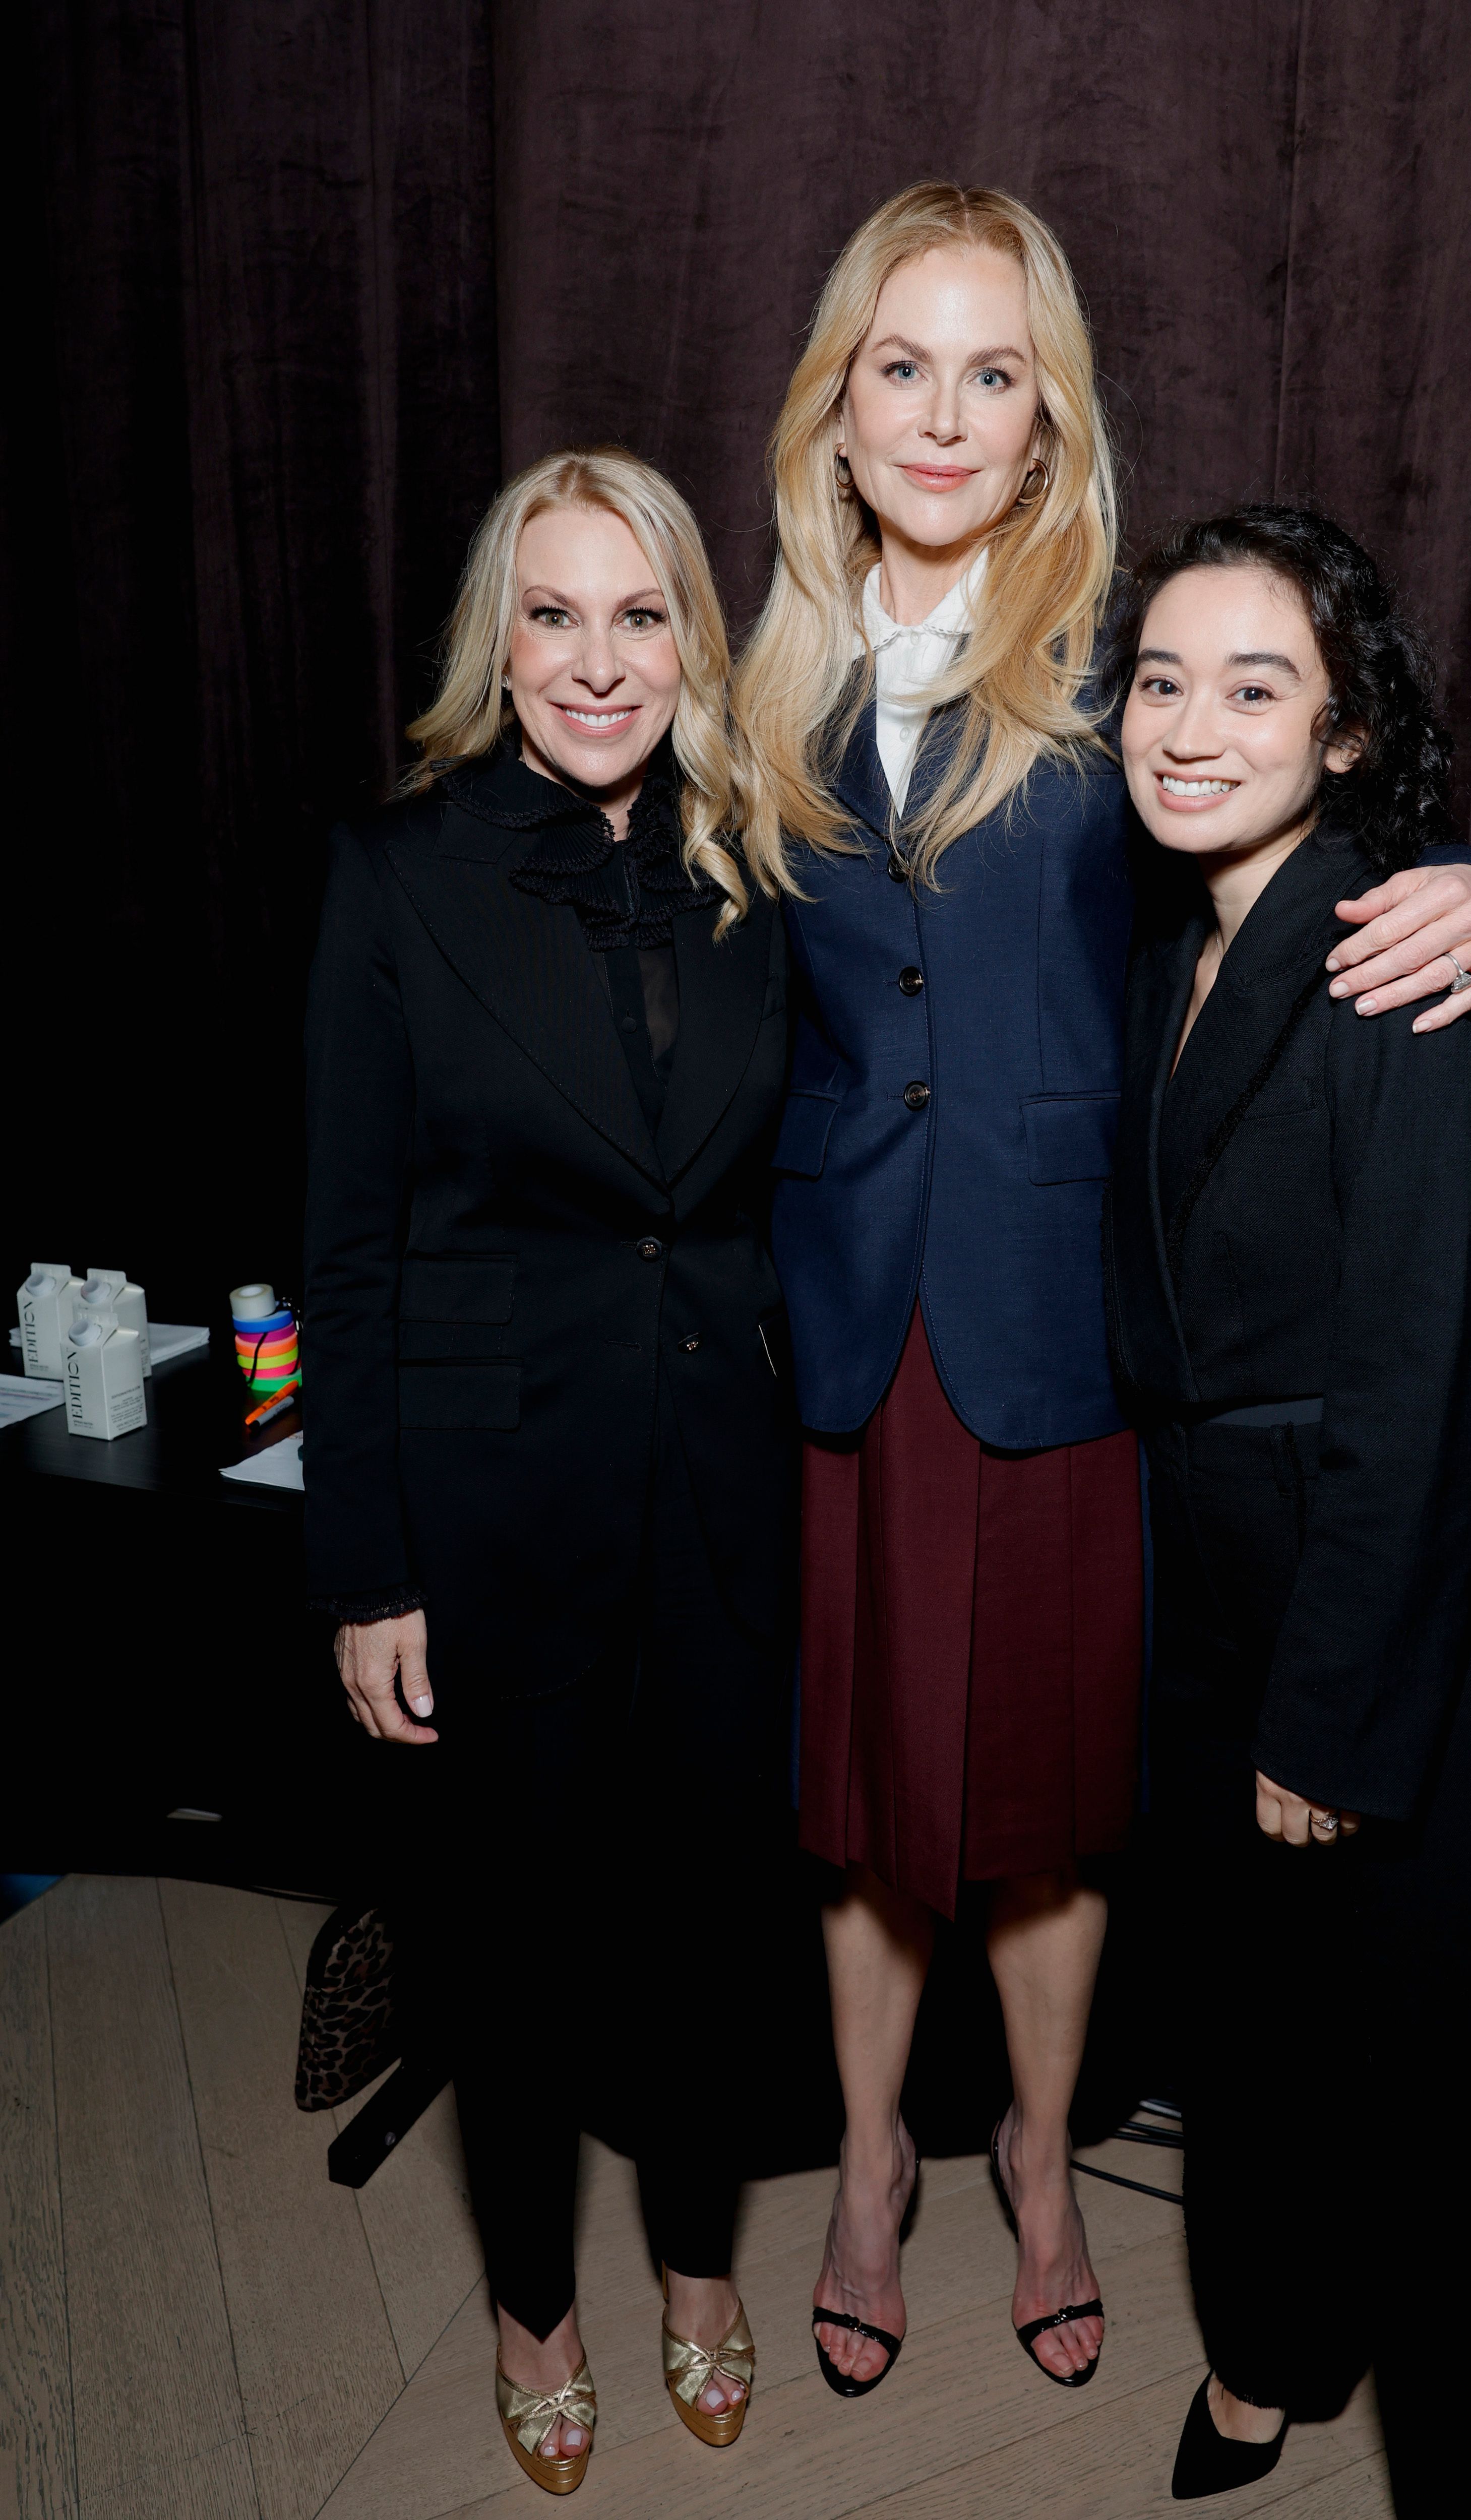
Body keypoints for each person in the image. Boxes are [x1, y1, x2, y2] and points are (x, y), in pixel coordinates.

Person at [730, 182, 1471, 2401]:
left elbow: (1321, 806)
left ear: (1048, 420)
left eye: (996, 371)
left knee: (1041, 1801)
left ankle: (1043, 2160)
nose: (943, 409)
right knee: (864, 1800)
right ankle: (873, 2161)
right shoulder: (762, 674)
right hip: (845, 1329)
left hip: (1063, 1330)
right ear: (836, 400)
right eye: (900, 361)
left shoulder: (1124, 661)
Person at [1106, 506, 1471, 2513]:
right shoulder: (1171, 936)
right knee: (1255, 2030)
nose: (1191, 722)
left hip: (1362, 1606)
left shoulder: (1399, 943)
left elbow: (1424, 1380)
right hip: (1211, 1583)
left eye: (1255, 685)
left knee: (1440, 2111)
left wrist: (1330, 1707)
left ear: (1341, 736)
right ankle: (1275, 2342)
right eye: (1160, 678)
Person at [302, 448, 793, 2495]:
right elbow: (346, 1240)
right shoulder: (399, 874)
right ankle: (534, 2305)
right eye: (555, 613)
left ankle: (695, 2260)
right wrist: (368, 1560)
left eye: (642, 612)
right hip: (496, 1505)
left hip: (732, 1489)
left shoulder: (770, 855)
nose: (600, 661)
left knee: (708, 1929)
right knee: (506, 1945)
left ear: (696, 632)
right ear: (496, 642)